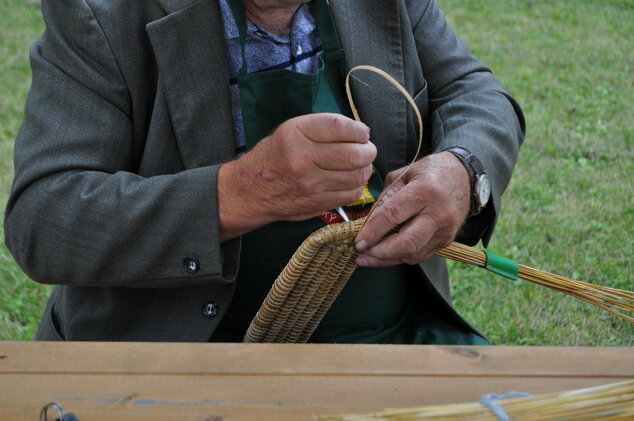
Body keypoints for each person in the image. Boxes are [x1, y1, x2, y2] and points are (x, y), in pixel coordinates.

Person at [4, 0, 524, 343]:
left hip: (389, 337)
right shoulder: (103, 13)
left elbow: (473, 91)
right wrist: (238, 193)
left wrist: (463, 169)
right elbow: (45, 218)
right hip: (182, 356)